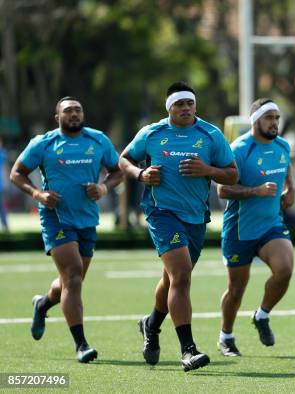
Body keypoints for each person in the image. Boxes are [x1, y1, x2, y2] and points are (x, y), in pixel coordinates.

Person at [119, 82, 238, 371]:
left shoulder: (210, 135)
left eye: (190, 103)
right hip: (161, 213)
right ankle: (188, 349)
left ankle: (151, 324)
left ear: (195, 106)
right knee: (182, 275)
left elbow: (232, 175)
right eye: (179, 104)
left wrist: (208, 171)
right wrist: (141, 173)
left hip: (195, 217)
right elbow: (123, 159)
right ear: (169, 107)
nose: (185, 108)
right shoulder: (152, 133)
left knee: (172, 280)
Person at [10, 97, 122, 363]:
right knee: (72, 276)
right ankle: (81, 344)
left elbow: (117, 172)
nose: (74, 114)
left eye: (78, 110)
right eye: (68, 111)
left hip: (87, 219)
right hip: (56, 218)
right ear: (57, 117)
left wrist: (104, 188)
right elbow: (17, 173)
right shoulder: (43, 143)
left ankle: (43, 304)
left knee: (73, 280)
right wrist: (38, 193)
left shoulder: (98, 140)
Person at [217, 98, 295, 356]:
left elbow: (287, 177)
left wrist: (289, 192)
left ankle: (262, 315)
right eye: (269, 117)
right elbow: (223, 189)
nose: (274, 123)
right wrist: (255, 191)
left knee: (284, 269)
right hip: (240, 229)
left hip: (271, 225)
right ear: (255, 120)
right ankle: (226, 336)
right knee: (237, 289)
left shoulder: (283, 146)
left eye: (277, 118)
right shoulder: (238, 150)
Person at [0, 137, 9, 231]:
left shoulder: (2, 154)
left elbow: (5, 168)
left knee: (2, 206)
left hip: (1, 185)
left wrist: (6, 182)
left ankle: (5, 225)